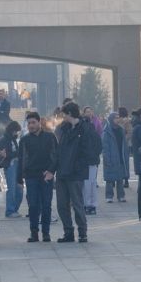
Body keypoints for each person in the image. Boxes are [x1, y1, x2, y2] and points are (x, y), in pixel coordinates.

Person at [55, 102, 95, 243]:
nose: (62, 117)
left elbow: (89, 150)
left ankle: (82, 232)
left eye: (64, 115)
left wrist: (79, 165)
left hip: (76, 173)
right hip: (62, 172)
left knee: (77, 203)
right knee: (61, 205)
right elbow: (58, 151)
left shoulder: (84, 128)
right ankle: (68, 232)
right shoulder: (63, 129)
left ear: (70, 114)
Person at [17, 112, 58, 242]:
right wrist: (19, 178)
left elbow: (56, 156)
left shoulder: (50, 137)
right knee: (33, 205)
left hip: (46, 176)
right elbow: (21, 159)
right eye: (29, 123)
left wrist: (51, 171)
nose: (31, 126)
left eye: (33, 122)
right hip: (31, 176)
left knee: (46, 205)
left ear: (39, 122)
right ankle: (34, 232)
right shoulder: (24, 140)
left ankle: (46, 233)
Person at [102, 112, 130, 204]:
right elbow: (105, 147)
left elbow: (124, 144)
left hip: (120, 156)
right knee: (110, 179)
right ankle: (109, 196)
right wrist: (107, 158)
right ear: (111, 119)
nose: (117, 119)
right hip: (111, 157)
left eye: (118, 117)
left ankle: (121, 195)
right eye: (115, 118)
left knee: (120, 178)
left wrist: (126, 155)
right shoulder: (107, 131)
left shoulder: (121, 130)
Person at [0, 120, 23, 217]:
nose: (16, 133)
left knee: (19, 189)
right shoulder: (4, 140)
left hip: (17, 165)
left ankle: (14, 209)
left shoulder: (14, 139)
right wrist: (16, 154)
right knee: (12, 188)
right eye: (15, 131)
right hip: (10, 165)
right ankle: (10, 210)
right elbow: (4, 154)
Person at [81, 109, 102, 216]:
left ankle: (87, 204)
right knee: (92, 183)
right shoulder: (94, 133)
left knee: (86, 184)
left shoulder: (83, 133)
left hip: (85, 162)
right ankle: (92, 205)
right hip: (93, 161)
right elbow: (99, 147)